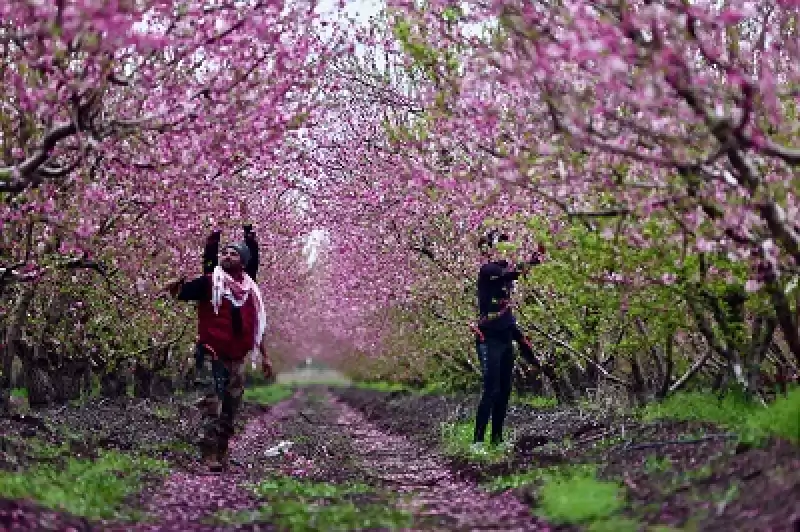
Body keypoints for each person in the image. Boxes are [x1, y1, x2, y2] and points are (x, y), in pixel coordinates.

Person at [166, 233, 271, 471]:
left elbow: (258, 327)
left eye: (233, 253)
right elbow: (180, 294)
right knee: (211, 404)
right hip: (211, 354)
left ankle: (222, 452)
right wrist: (175, 288)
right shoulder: (209, 282)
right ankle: (207, 454)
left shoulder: (249, 290)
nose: (227, 256)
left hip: (236, 358)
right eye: (224, 252)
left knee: (232, 407)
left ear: (243, 262)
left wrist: (266, 357)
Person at [472, 230, 543, 449]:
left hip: (505, 337)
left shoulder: (506, 276)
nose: (505, 250)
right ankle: (477, 441)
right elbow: (509, 273)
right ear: (489, 250)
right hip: (488, 338)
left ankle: (497, 439)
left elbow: (507, 314)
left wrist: (521, 340)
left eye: (507, 245)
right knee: (491, 389)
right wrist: (532, 260)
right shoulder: (488, 271)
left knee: (504, 391)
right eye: (500, 246)